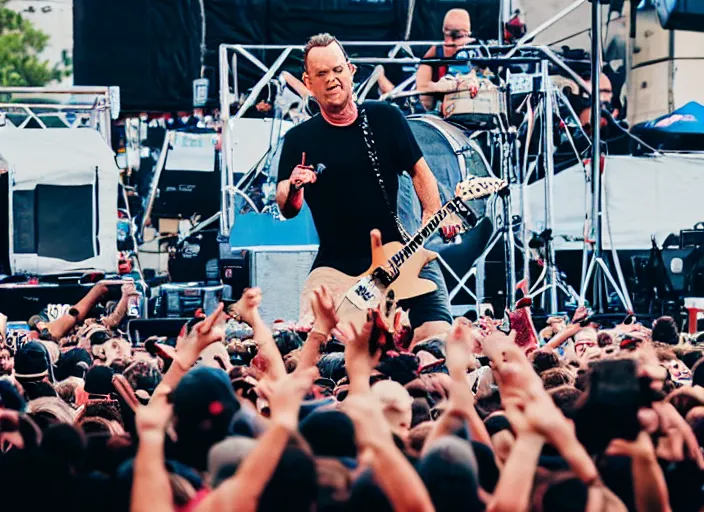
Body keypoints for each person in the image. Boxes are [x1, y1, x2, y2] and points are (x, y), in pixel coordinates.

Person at [276, 33, 463, 343]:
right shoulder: (299, 140)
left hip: (401, 253)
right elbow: (287, 206)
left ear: (351, 71)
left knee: (438, 341)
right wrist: (295, 186)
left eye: (337, 70)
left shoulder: (383, 117)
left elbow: (419, 170)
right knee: (328, 349)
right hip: (337, 268)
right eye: (322, 74)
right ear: (308, 83)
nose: (332, 79)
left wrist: (433, 212)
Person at [416, 8, 480, 112]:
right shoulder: (436, 51)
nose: (449, 41)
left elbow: (486, 81)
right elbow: (424, 95)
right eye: (446, 34)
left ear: (467, 34)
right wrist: (442, 87)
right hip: (441, 114)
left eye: (456, 35)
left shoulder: (476, 51)